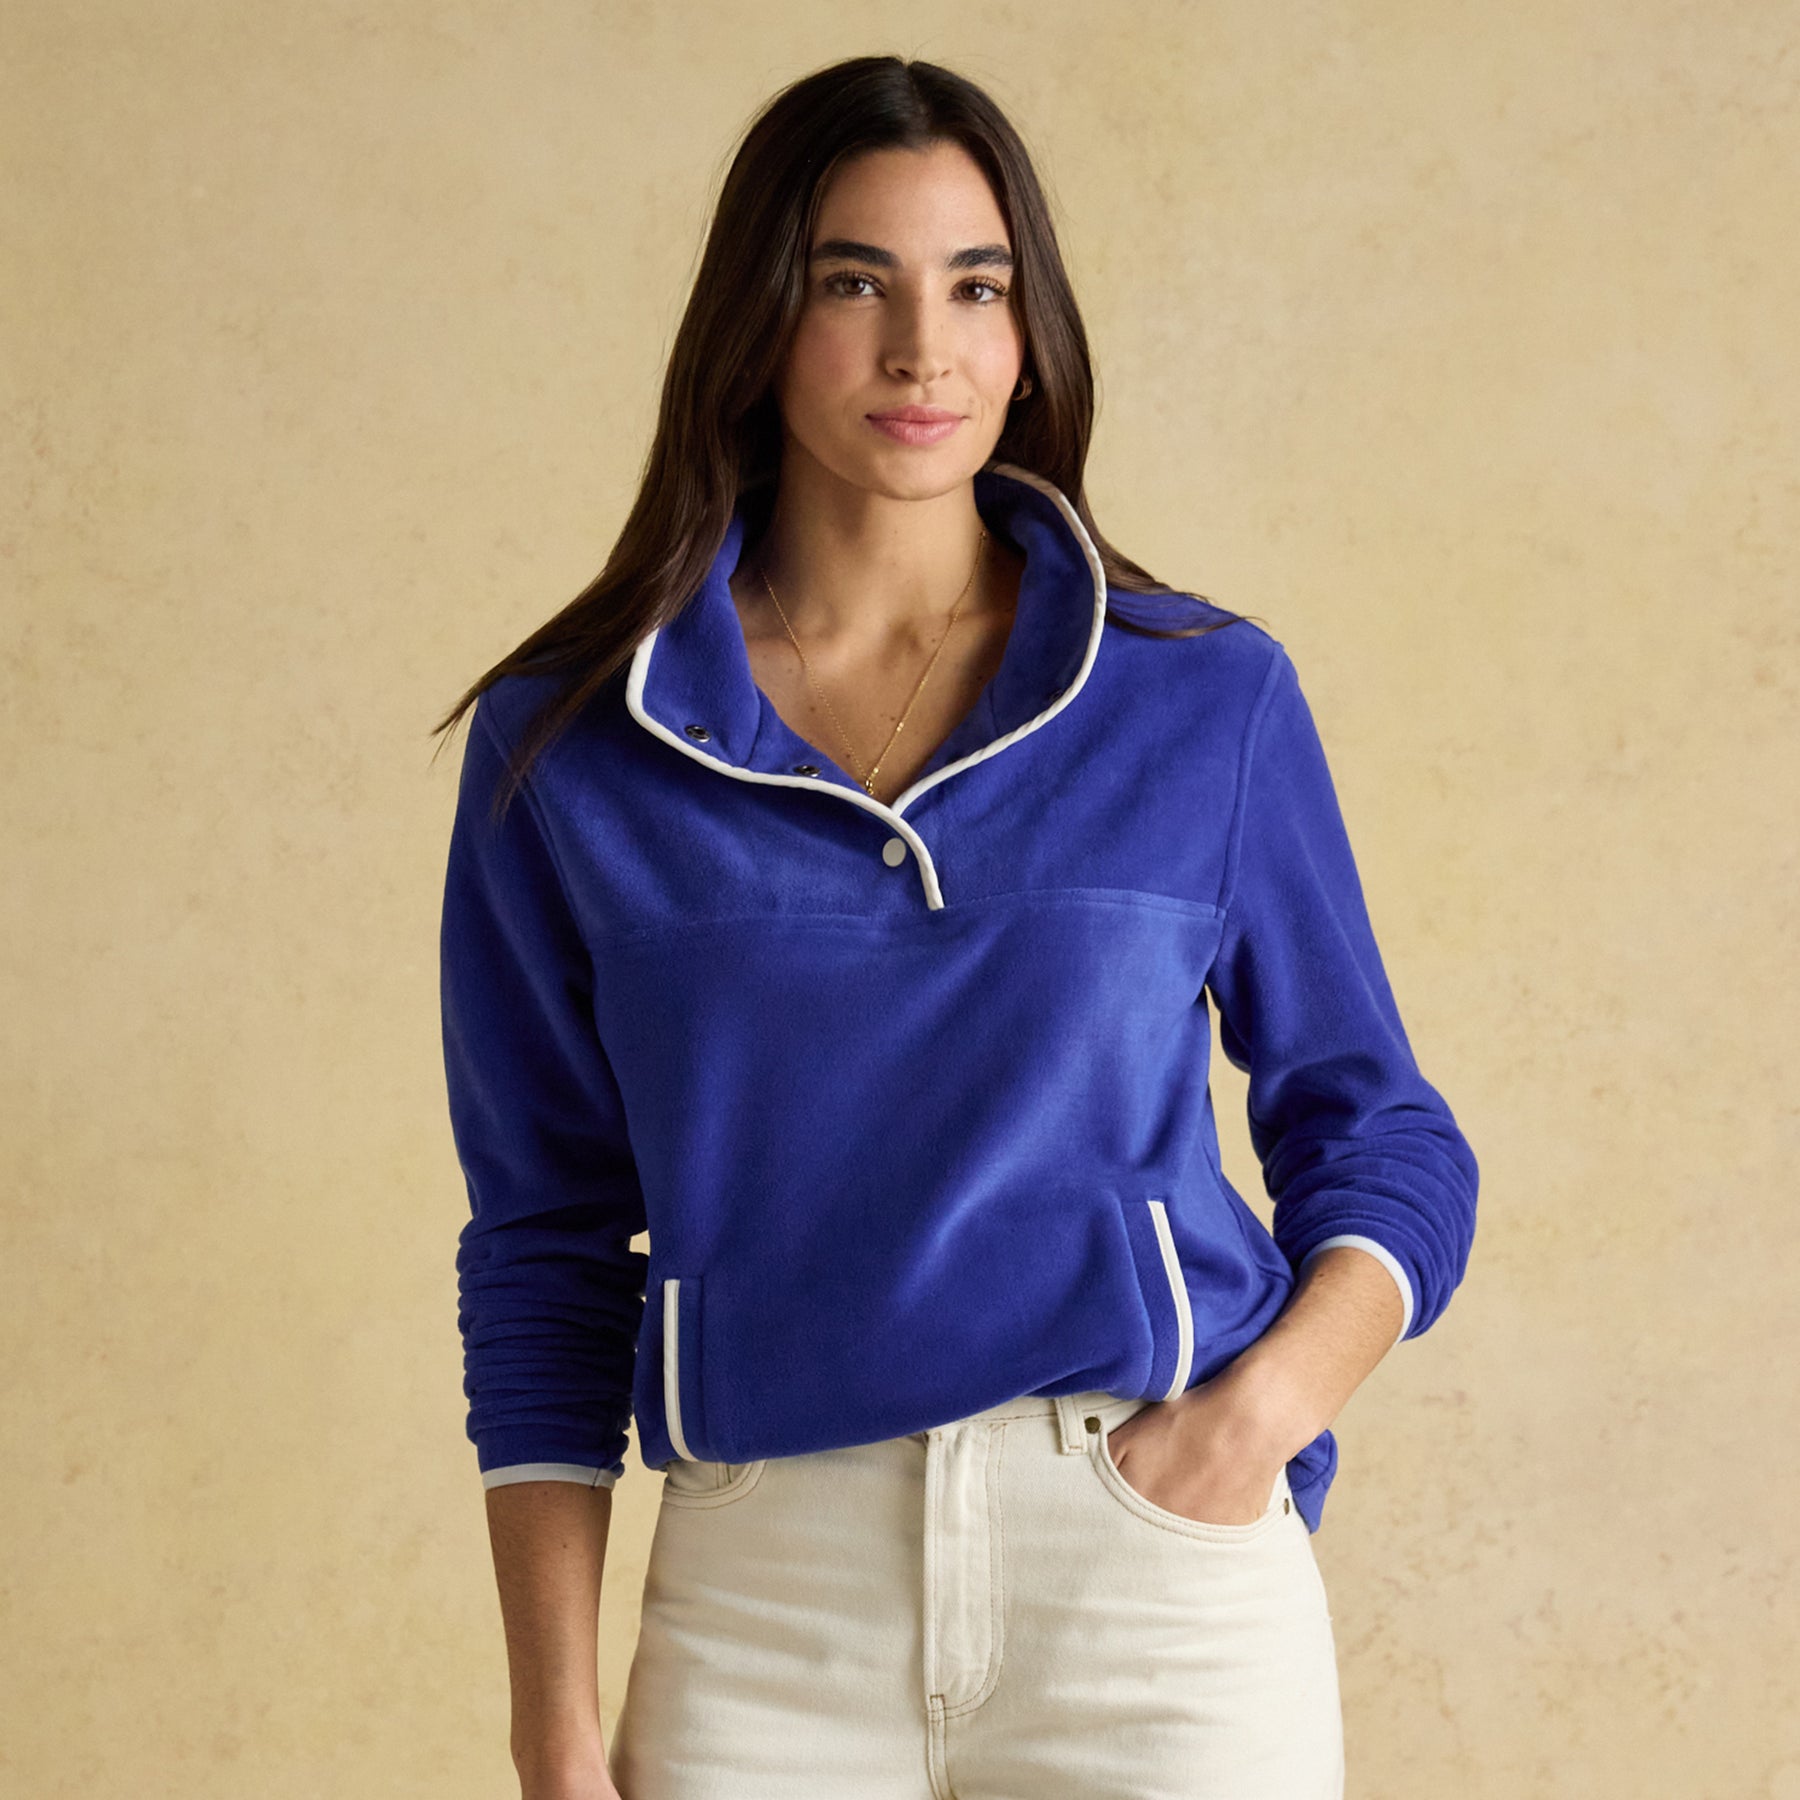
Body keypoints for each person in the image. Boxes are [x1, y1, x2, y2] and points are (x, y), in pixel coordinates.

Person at [433, 53, 1478, 1800]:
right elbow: (546, 1243)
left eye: (977, 287)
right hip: (765, 1610)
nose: (925, 348)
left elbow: (1382, 1132)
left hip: (1149, 1588)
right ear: (758, 324)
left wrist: (1261, 1417)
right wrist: (550, 1722)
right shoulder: (573, 748)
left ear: (1030, 331)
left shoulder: (1198, 700)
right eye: (856, 283)